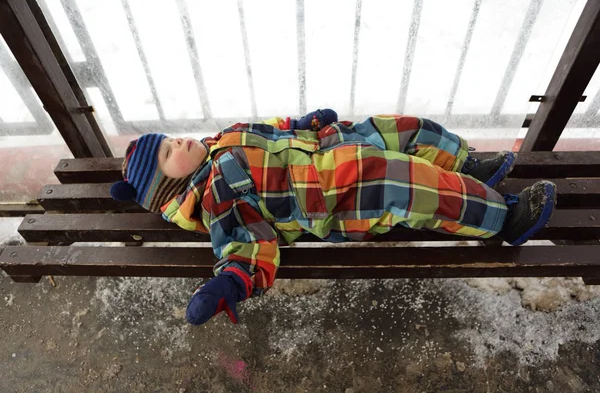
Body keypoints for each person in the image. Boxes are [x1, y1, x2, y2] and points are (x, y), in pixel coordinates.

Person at [110, 110, 556, 326]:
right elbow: (243, 244)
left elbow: (269, 127)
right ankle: (505, 218)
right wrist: (231, 282)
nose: (180, 143)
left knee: (403, 127)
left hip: (326, 144)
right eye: (168, 154)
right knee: (406, 183)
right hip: (330, 195)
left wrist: (301, 121)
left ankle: (462, 164)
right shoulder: (215, 198)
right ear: (167, 187)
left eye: (171, 140)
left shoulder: (217, 140)